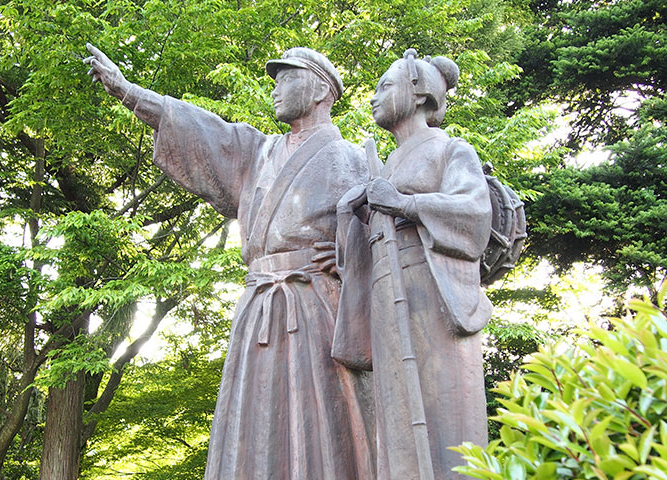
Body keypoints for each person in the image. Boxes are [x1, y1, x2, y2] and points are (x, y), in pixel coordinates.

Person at [83, 45, 373, 479]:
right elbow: (200, 130)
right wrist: (128, 92)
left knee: (320, 419)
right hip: (258, 307)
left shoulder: (354, 160)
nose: (275, 88)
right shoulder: (257, 153)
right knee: (253, 421)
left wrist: (352, 256)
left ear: (319, 91)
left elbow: (385, 241)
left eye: (286, 78)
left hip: (316, 307)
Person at [334, 49, 492, 479]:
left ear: (419, 93)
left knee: (444, 408)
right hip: (388, 292)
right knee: (396, 416)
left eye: (384, 87)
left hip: (431, 287)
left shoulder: (451, 150)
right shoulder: (386, 163)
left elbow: (474, 214)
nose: (373, 98)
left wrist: (404, 203)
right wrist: (358, 215)